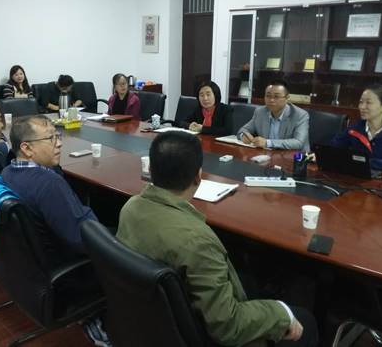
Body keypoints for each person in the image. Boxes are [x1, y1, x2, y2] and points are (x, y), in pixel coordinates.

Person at [116, 131, 318, 347]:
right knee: (307, 321)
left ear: (151, 169)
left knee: (246, 279)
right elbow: (228, 327)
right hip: (205, 336)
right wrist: (282, 313)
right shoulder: (198, 242)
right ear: (198, 176)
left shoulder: (130, 207)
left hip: (148, 323)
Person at [1, 115, 98, 255]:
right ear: (26, 148)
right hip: (64, 255)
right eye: (50, 138)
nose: (59, 143)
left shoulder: (6, 172)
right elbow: (79, 239)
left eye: (58, 136)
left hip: (31, 254)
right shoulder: (49, 183)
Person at [331, 84, 382, 174]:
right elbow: (333, 149)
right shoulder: (355, 128)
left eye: (368, 103)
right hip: (358, 178)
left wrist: (368, 163)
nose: (362, 107)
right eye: (361, 102)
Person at [237, 80, 309, 151]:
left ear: (287, 98)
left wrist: (268, 143)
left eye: (276, 96)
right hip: (267, 154)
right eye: (268, 96)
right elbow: (243, 130)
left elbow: (298, 142)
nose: (271, 100)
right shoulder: (260, 112)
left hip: (296, 156)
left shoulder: (300, 115)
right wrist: (243, 136)